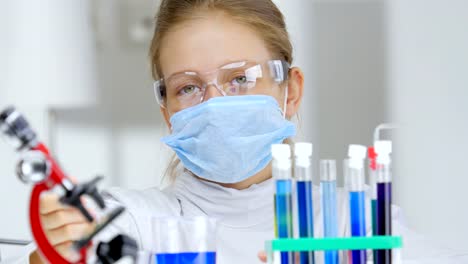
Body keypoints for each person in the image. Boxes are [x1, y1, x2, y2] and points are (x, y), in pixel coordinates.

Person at [18, 0, 465, 263]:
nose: (215, 104)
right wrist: (53, 250)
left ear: (290, 92)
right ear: (168, 111)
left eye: (240, 78)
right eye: (188, 87)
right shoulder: (132, 222)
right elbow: (73, 246)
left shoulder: (361, 223)